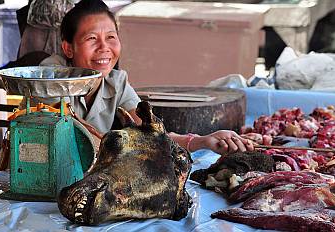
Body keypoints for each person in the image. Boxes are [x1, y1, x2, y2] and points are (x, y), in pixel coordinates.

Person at [35, 0, 254, 155]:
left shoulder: (115, 82)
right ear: (68, 48)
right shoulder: (51, 76)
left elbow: (151, 131)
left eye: (111, 37)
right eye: (92, 38)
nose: (104, 48)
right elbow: (75, 137)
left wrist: (202, 141)